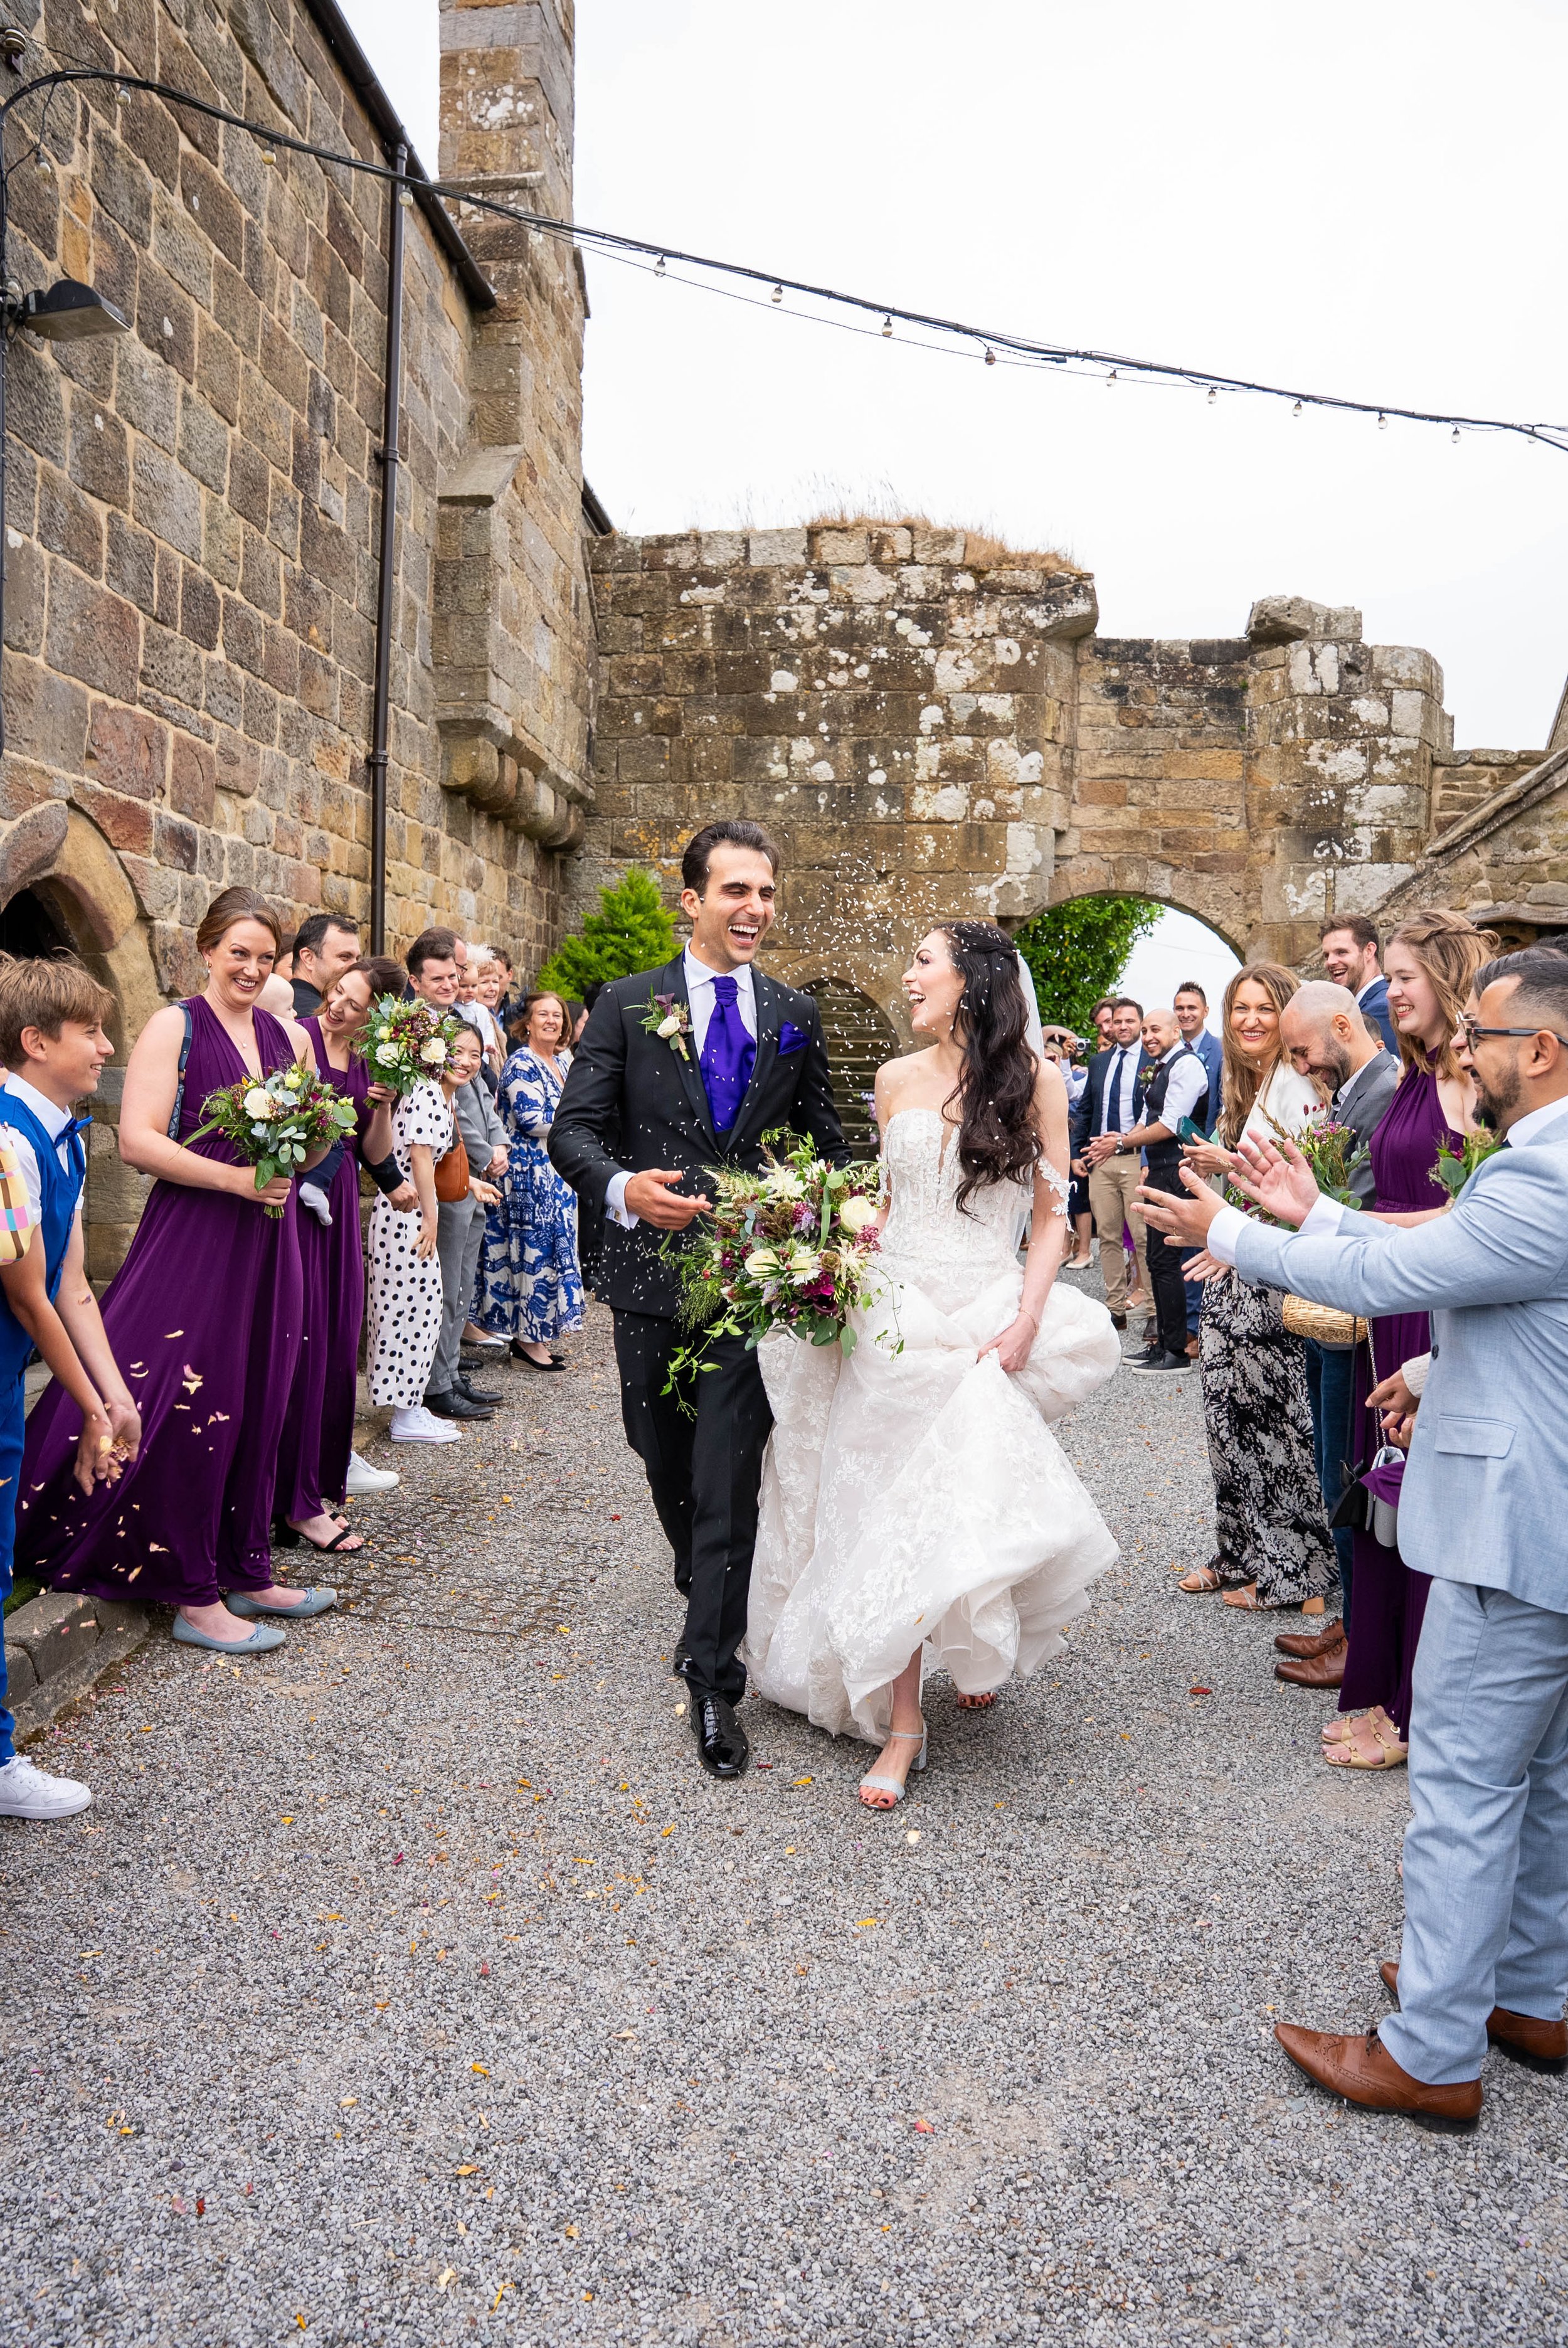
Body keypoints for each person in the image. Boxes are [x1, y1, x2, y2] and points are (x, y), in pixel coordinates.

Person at [1138, 945, 1568, 2127]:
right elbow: (1497, 1295)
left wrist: (1234, 1234)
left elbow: (1407, 1269)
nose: (1462, 1050)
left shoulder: (1542, 1176)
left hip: (1514, 1531)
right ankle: (1529, 1993)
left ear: (1538, 1049)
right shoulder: (1543, 1169)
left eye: (1480, 1031)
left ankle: (1430, 2046)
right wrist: (1318, 1213)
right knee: (1551, 1783)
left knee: (1466, 1787)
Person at [744, 923, 1121, 1807]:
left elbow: (1052, 1215)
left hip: (986, 1309)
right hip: (893, 1313)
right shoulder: (892, 1079)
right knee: (883, 1504)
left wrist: (1029, 1315)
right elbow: (889, 1195)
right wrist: (826, 1239)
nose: (907, 976)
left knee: (963, 1495)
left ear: (971, 981)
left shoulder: (1040, 1082)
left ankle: (971, 1638)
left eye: (923, 961)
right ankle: (905, 1720)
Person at [549, 820, 845, 1780]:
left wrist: (827, 1225)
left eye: (766, 891)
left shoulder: (797, 1014)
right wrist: (621, 1188)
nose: (755, 907)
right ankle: (703, 1582)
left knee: (725, 1471)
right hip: (648, 1277)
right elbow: (574, 1130)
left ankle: (713, 1673)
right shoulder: (628, 1005)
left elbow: (828, 1146)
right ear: (694, 900)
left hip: (752, 1281)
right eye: (735, 891)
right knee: (661, 1453)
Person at [17, 888, 335, 1652]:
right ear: (206, 950)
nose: (252, 969)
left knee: (264, 1387)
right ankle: (192, 1590)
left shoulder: (288, 1037)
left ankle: (247, 1564)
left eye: (266, 957)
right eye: (239, 954)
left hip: (271, 1234)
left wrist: (316, 1138)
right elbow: (137, 1140)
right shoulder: (175, 1024)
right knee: (199, 1392)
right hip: (198, 1230)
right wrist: (235, 1179)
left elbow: (308, 1148)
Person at [1302, 910, 1489, 1766]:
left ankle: (1414, 1709)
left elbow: (1470, 1218)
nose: (1390, 993)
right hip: (1390, 1299)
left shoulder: (1469, 1079)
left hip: (1431, 1301)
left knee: (1417, 1501)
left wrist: (1337, 1225)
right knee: (1380, 1500)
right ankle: (1376, 1682)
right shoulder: (1417, 1072)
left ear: (1447, 978)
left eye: (1405, 977)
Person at [0, 959, 139, 1821]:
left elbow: (73, 1282)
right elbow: (25, 1287)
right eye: (90, 1030)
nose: (106, 1046)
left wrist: (116, 1392)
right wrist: (85, 1406)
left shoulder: (62, 1134)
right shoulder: (9, 1137)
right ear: (35, 1040)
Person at [1168, 963, 1335, 1612]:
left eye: (1264, 1008)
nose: (1249, 1020)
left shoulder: (1300, 1083)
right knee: (1227, 1424)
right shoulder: (1257, 1080)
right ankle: (1240, 1553)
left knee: (1276, 1426)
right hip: (1236, 1265)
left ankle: (1300, 1573)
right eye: (1240, 1008)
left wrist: (1226, 1173)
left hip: (1267, 1275)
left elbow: (1309, 1185)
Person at [1271, 980, 1400, 1684]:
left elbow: (1354, 1198)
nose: (1301, 1066)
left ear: (1344, 1024)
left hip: (1357, 1312)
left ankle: (1360, 1635)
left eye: (1303, 1050)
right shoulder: (1357, 1090)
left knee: (1348, 1471)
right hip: (1332, 1306)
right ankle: (1350, 1618)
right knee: (1333, 1468)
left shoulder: (1382, 1090)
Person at [273, 955, 407, 1552]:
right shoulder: (296, 1036)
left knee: (331, 1348)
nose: (337, 1005)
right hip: (294, 1213)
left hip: (342, 1203)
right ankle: (288, 1500)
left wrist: (383, 1102)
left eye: (353, 1003)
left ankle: (314, 1488)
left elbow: (373, 1150)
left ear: (374, 1017)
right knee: (295, 1348)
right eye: (337, 991)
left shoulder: (368, 1061)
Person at [476, 991, 584, 1369]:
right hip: (528, 1176)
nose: (552, 1021)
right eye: (543, 1015)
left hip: (558, 1173)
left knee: (555, 1251)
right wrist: (579, 1126)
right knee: (530, 1257)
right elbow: (531, 1119)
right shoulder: (523, 1062)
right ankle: (526, 1342)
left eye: (557, 1015)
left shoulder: (562, 1061)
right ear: (528, 1023)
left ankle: (539, 1334)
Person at [364, 1040, 452, 1448]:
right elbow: (420, 1157)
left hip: (396, 1210)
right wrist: (431, 1221)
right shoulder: (425, 1089)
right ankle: (405, 1411)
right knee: (413, 1310)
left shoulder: (415, 1087)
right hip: (410, 1211)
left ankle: (409, 1405)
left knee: (406, 1307)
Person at [1118, 1007, 1209, 1376]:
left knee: (1168, 1260)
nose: (1147, 1037)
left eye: (1155, 1029)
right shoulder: (1159, 1068)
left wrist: (1122, 1143)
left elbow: (1171, 1124)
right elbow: (1146, 1118)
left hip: (1178, 1170)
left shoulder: (1186, 1066)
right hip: (1158, 1169)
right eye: (1144, 1031)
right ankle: (1165, 1346)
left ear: (1176, 1031)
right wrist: (1132, 1145)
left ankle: (1176, 1352)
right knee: (1157, 1259)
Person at [423, 1023, 505, 1421]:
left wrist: (474, 1179)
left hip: (464, 1188)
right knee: (445, 1288)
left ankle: (449, 1372)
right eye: (459, 1051)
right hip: (441, 1200)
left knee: (461, 1286)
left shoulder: (454, 1093)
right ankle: (437, 1383)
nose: (469, 1062)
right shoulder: (429, 1094)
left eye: (476, 1055)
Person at [1070, 998, 1152, 1329]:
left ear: (1140, 1025)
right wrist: (1077, 1153)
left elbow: (1158, 1112)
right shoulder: (1100, 1062)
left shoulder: (1152, 1060)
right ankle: (1115, 1308)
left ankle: (1153, 1311)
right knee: (1107, 1236)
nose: (1122, 1027)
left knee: (1144, 1236)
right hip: (1100, 1161)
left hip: (1135, 1159)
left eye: (1130, 1021)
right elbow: (1085, 1110)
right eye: (1117, 1021)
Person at [1172, 981, 1224, 1356]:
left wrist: (1207, 1153)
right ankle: (1188, 1322)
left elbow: (1216, 1110)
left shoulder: (1219, 1051)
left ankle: (1200, 1326)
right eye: (1180, 1008)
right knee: (1181, 1239)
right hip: (1176, 1159)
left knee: (1210, 1240)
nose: (1186, 1013)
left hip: (1212, 1157)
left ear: (1205, 1011)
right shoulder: (1170, 1053)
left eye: (1192, 1007)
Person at [1320, 913, 1397, 1051]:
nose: (1330, 962)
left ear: (1369, 951)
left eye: (1341, 952)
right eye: (1327, 955)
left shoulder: (1381, 1010)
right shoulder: (1360, 1006)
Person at [289, 914, 361, 1019]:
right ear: (309, 958)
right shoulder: (316, 1018)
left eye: (358, 959)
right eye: (345, 957)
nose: (355, 966)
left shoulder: (286, 1003)